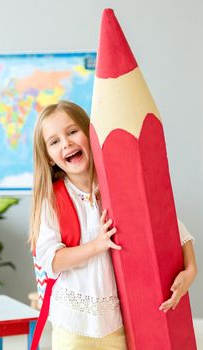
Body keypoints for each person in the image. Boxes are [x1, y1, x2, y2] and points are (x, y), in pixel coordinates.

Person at [29, 100, 197, 350]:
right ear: (50, 158)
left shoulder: (120, 187)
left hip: (119, 322)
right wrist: (97, 245)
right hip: (73, 326)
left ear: (90, 134)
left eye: (72, 131)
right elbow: (51, 260)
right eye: (54, 141)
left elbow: (169, 225)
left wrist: (191, 269)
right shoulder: (51, 200)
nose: (66, 143)